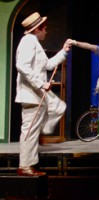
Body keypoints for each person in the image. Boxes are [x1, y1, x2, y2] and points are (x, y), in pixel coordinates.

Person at [15, 12, 71, 176]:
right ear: (37, 29)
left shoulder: (34, 43)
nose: (46, 31)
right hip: (31, 94)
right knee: (29, 130)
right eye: (44, 28)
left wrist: (64, 51)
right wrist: (40, 83)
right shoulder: (28, 41)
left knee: (58, 107)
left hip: (37, 94)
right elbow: (22, 66)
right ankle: (25, 166)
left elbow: (48, 65)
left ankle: (30, 162)